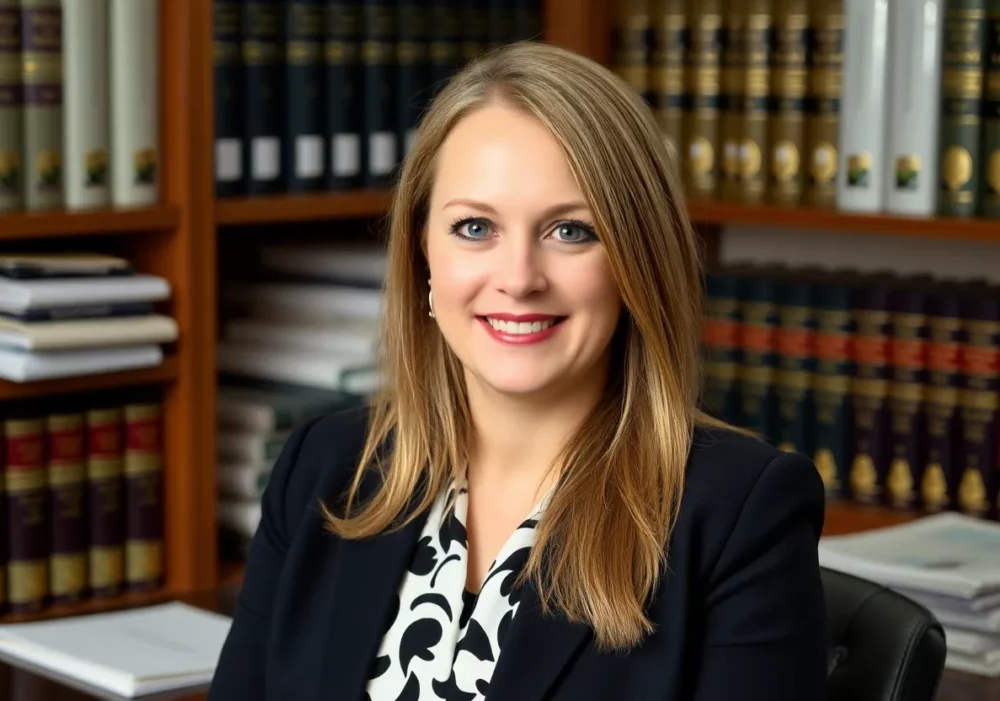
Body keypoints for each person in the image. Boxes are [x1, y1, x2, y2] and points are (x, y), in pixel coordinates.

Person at [207, 41, 827, 701]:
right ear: (423, 255)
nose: (519, 279)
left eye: (570, 231)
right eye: (475, 227)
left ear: (637, 260)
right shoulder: (325, 468)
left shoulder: (739, 514)